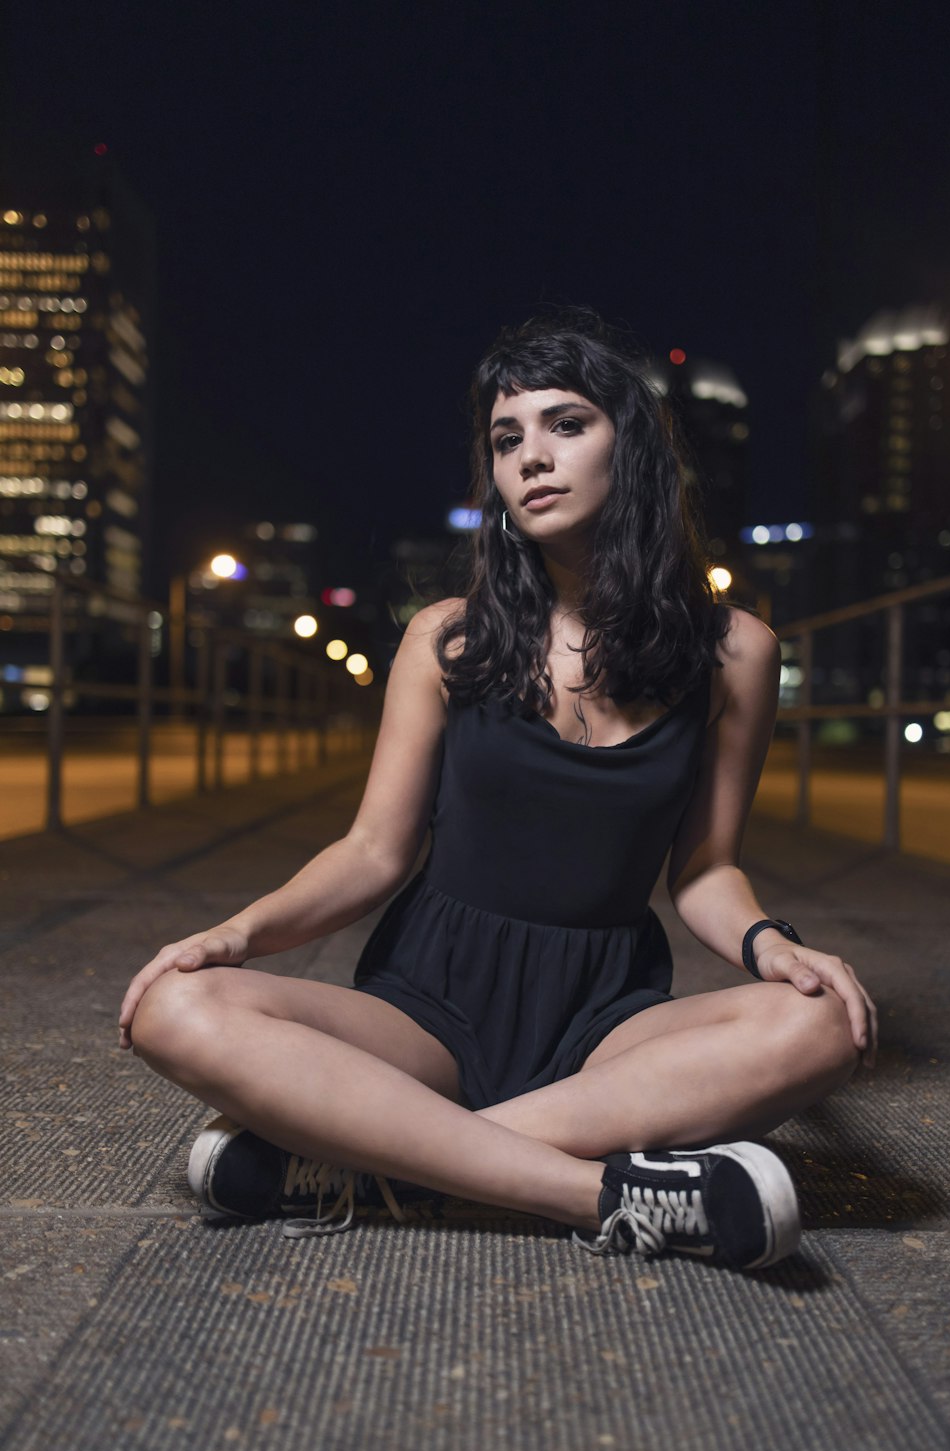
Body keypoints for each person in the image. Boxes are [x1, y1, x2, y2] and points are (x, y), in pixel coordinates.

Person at [119, 309, 876, 1270]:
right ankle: (597, 1192)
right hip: (426, 1010)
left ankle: (373, 1159)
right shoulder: (450, 637)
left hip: (606, 1018)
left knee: (824, 1025)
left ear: (629, 446)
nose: (531, 458)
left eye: (566, 424)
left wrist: (774, 948)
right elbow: (374, 852)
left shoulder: (737, 653)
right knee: (173, 1007)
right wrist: (233, 936)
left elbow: (706, 871)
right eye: (507, 438)